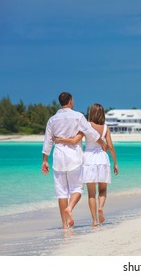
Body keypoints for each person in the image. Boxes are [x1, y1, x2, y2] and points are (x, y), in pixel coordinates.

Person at [42, 92, 108, 229]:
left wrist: (45, 160)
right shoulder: (78, 116)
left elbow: (48, 141)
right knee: (77, 188)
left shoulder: (52, 120)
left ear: (60, 102)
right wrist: (102, 143)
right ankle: (70, 208)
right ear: (71, 101)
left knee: (61, 193)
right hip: (74, 158)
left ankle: (64, 225)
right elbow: (90, 131)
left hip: (58, 158)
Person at [54, 103, 119, 227]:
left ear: (91, 113)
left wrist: (60, 139)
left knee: (91, 194)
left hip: (88, 159)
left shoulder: (86, 125)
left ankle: (94, 221)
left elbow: (74, 140)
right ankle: (101, 207)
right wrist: (115, 163)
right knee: (103, 190)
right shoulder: (105, 127)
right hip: (102, 159)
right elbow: (110, 146)